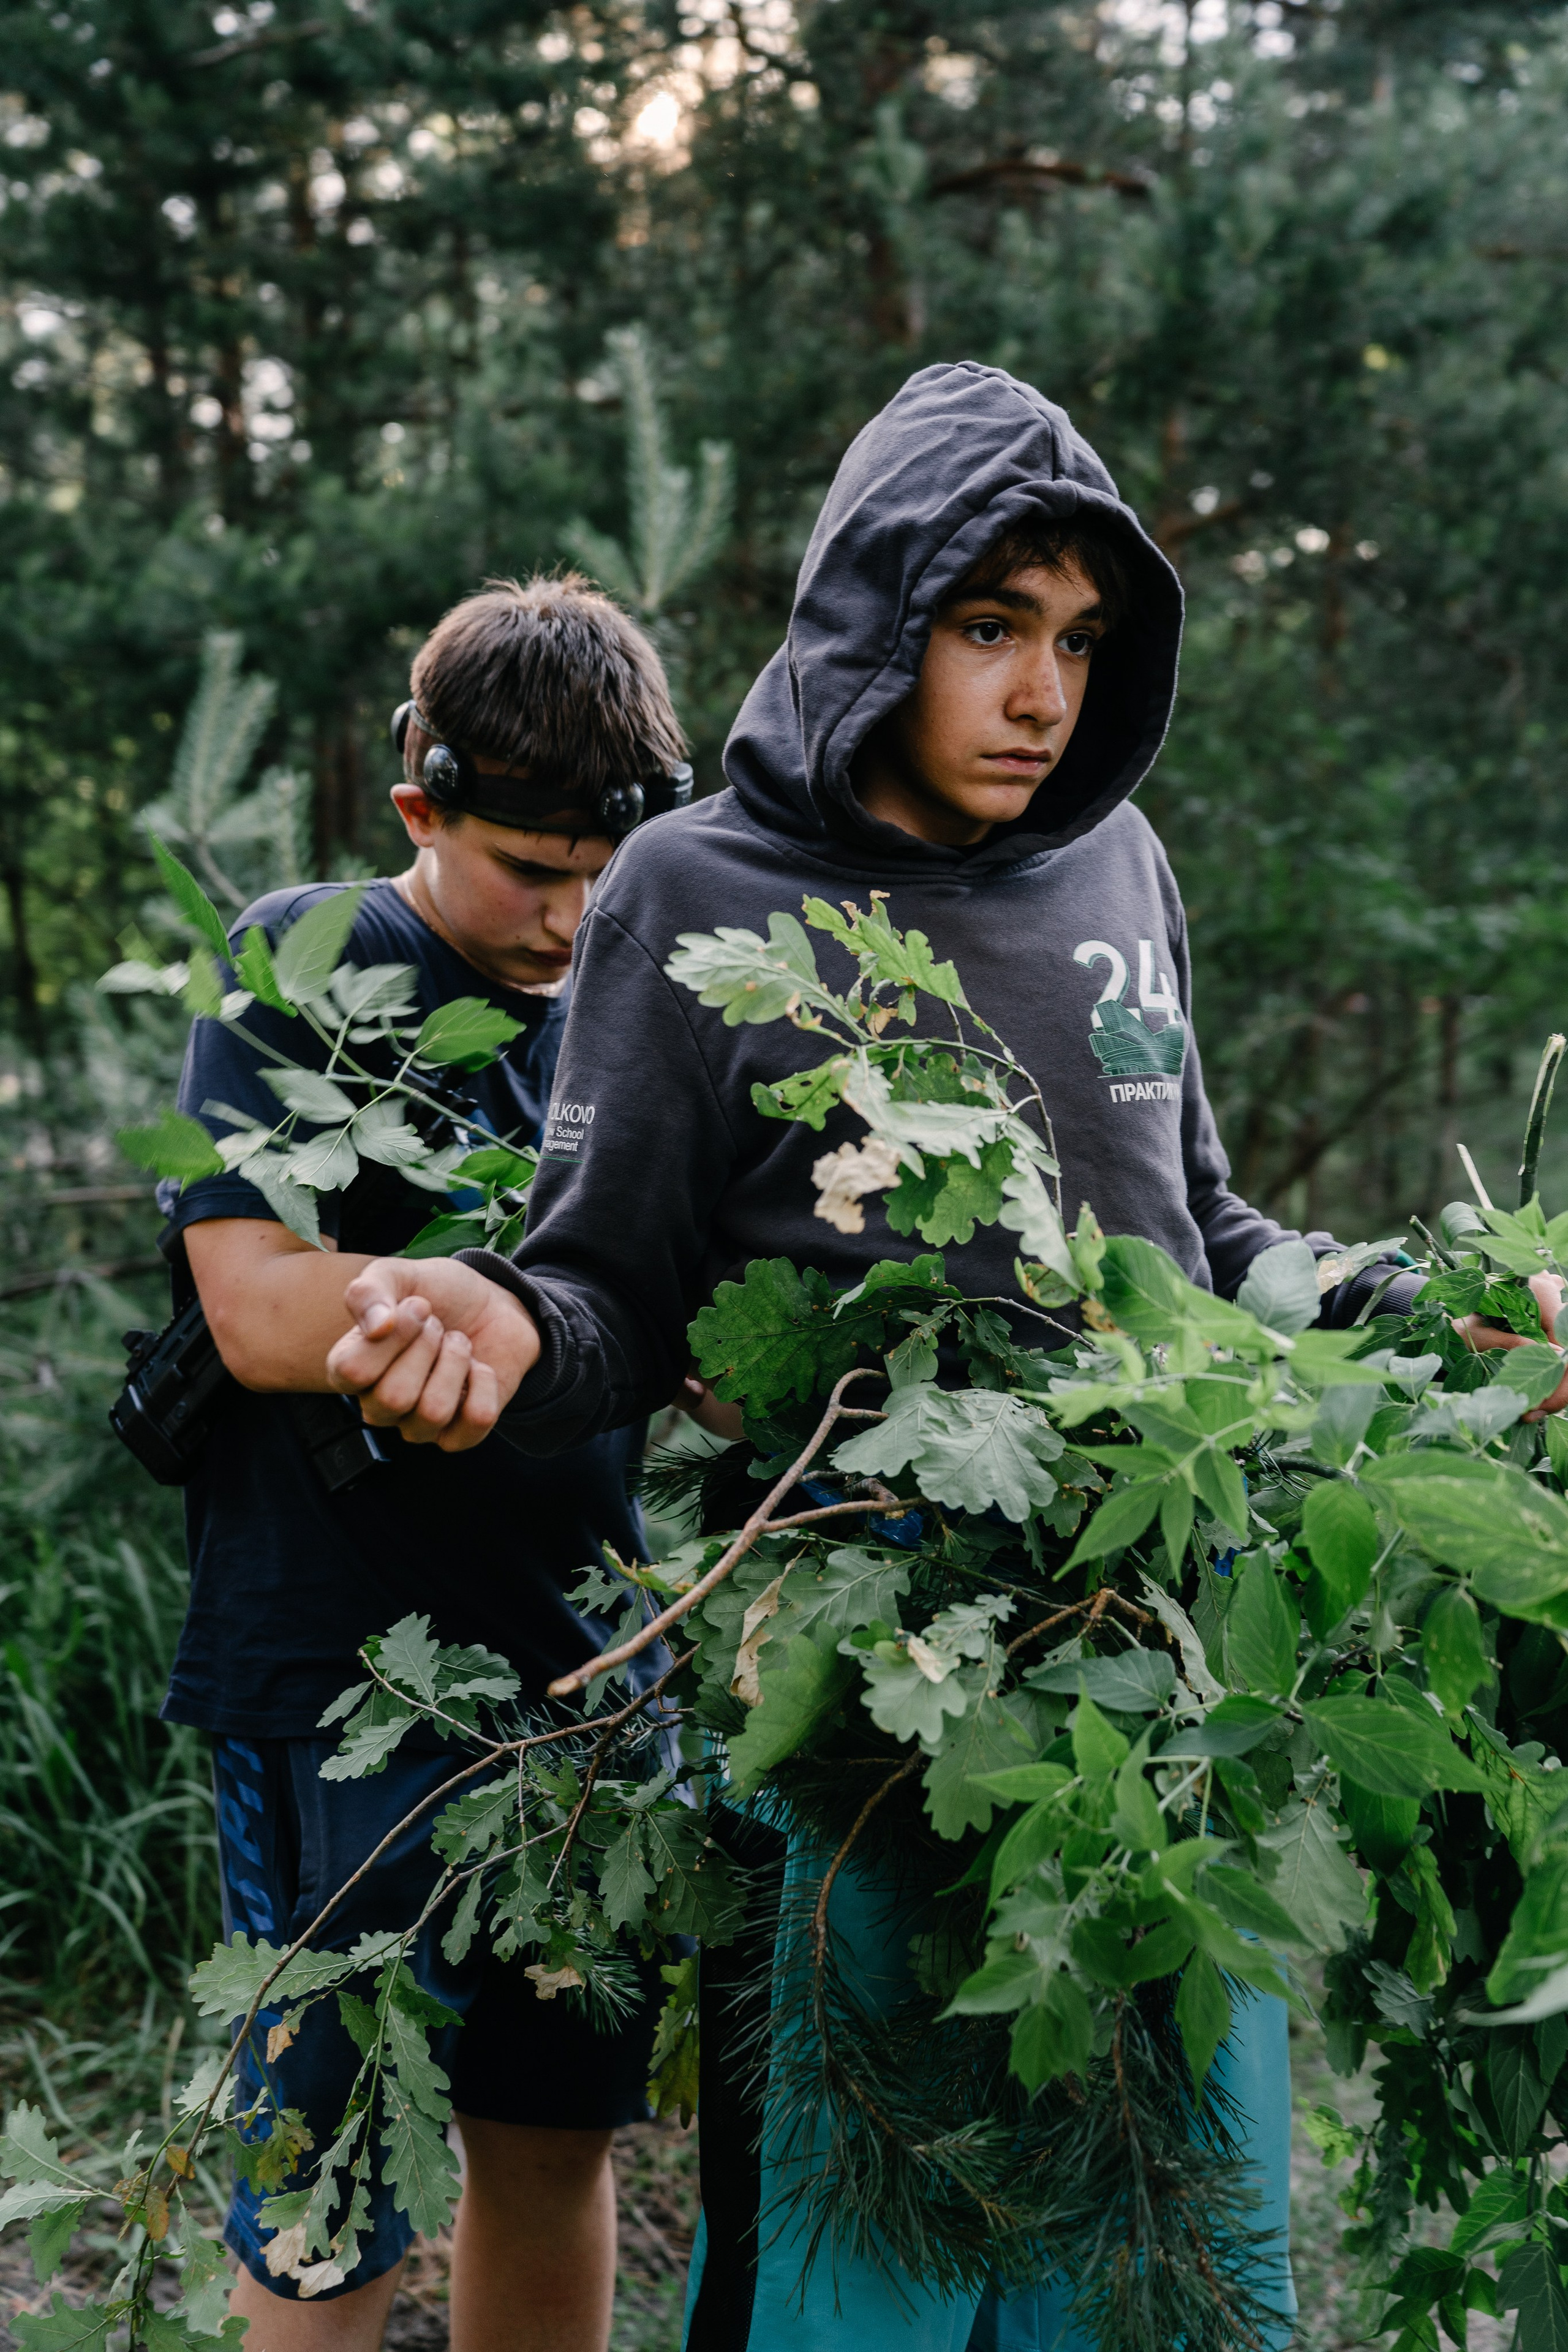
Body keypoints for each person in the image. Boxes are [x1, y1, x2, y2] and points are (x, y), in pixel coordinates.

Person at [317, 368, 1426, 2343]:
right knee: (852, 2280)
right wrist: (498, 1319)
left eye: (1080, 640)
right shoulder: (699, 891)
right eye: (990, 627)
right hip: (849, 1698)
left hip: (1156, 1680)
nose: (1043, 694)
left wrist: (1420, 1320)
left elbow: (1208, 1234)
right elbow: (610, 1305)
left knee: (1163, 2261)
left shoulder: (1120, 869)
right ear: (874, 623)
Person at [159, 574, 692, 2352]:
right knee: (323, 2190)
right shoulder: (303, 965)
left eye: (599, 874)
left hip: (585, 1684)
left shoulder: (645, 1008)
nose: (568, 916)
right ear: (420, 810)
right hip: (331, 1676)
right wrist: (486, 1317)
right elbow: (251, 1305)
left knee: (550, 2144)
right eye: (527, 872)